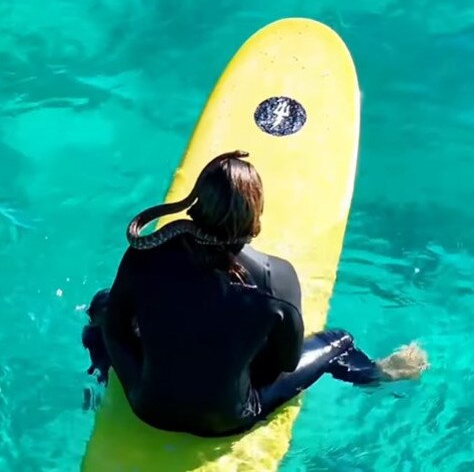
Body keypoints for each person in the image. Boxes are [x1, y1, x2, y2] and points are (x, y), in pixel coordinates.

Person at [83, 150, 428, 437]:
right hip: (226, 418)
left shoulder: (144, 254)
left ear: (198, 205)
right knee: (339, 341)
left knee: (103, 303)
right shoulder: (276, 277)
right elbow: (285, 362)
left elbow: (116, 329)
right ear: (255, 214)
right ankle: (378, 374)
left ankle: (99, 371)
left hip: (147, 406)